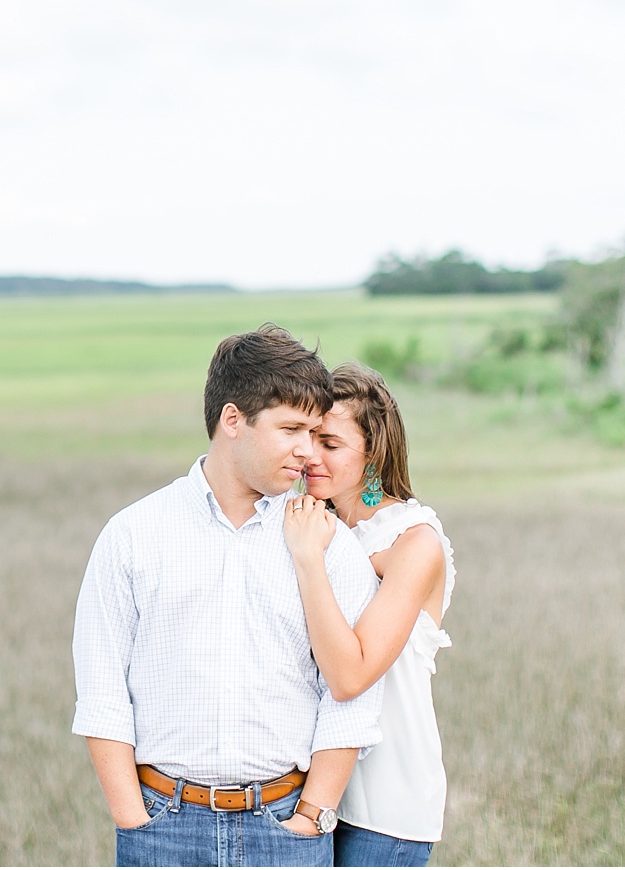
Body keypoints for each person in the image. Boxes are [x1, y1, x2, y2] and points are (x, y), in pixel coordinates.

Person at [72, 325, 386, 867]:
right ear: (233, 420)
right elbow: (102, 691)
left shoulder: (328, 544)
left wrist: (310, 818)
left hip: (286, 827)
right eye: (291, 429)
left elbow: (349, 701)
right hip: (162, 827)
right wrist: (133, 820)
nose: (307, 451)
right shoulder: (133, 534)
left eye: (315, 433)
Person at [282, 362, 454, 868]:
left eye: (330, 443)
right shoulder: (314, 525)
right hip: (304, 792)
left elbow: (350, 675)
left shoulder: (414, 543)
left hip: (385, 809)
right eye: (308, 437)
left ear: (372, 451)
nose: (311, 454)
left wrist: (310, 560)